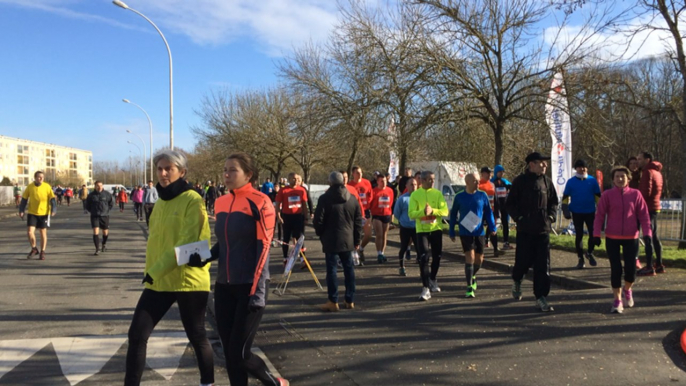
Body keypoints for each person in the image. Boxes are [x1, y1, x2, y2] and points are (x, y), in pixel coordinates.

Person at [189, 152, 289, 386]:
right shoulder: (221, 201)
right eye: (225, 169)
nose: (226, 174)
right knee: (230, 353)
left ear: (249, 174)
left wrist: (257, 291)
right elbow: (224, 243)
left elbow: (263, 249)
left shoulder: (261, 202)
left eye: (233, 170)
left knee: (240, 354)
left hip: (250, 287)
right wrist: (204, 257)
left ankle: (274, 383)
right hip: (224, 287)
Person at [124, 149, 215, 386]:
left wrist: (154, 271)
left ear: (182, 172)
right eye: (160, 169)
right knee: (136, 335)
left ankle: (208, 383)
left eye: (169, 169)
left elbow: (188, 244)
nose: (163, 173)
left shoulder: (192, 199)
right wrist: (153, 272)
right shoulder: (161, 201)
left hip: (188, 280)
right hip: (160, 280)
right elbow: (156, 243)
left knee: (197, 336)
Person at [593, 166, 652, 314]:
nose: (620, 179)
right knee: (616, 269)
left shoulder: (636, 194)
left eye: (623, 176)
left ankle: (628, 289)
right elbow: (599, 215)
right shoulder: (607, 195)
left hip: (631, 237)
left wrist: (648, 234)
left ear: (628, 179)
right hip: (612, 237)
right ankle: (617, 300)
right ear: (613, 179)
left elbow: (644, 215)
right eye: (617, 176)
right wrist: (595, 234)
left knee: (631, 271)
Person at [506, 152, 559, 312]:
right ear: (531, 164)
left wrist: (551, 217)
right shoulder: (520, 182)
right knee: (523, 262)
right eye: (541, 163)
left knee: (543, 265)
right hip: (525, 231)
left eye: (546, 163)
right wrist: (519, 218)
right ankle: (517, 279)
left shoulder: (547, 182)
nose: (545, 166)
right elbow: (510, 204)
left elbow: (554, 202)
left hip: (543, 230)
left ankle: (541, 296)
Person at [314, 171, 363, 313]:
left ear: (330, 182)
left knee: (332, 270)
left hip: (330, 239)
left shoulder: (325, 198)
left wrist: (320, 233)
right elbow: (358, 220)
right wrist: (357, 239)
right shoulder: (352, 198)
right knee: (349, 269)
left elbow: (318, 220)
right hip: (348, 239)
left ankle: (333, 300)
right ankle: (349, 299)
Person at [449, 173, 497, 298]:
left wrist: (492, 227)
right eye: (475, 181)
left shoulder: (482, 195)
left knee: (479, 259)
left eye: (478, 181)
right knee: (469, 256)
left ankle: (473, 274)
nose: (478, 183)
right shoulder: (459, 197)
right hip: (465, 232)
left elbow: (488, 212)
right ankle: (469, 286)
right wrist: (451, 230)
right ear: (467, 182)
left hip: (479, 231)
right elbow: (453, 214)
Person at [409, 170, 449, 301]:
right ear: (423, 180)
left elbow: (445, 211)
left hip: (436, 229)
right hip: (422, 231)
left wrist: (433, 211)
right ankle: (425, 288)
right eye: (430, 179)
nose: (432, 182)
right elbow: (411, 214)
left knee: (437, 257)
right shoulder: (415, 195)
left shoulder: (437, 194)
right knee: (424, 257)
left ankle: (432, 278)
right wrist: (422, 212)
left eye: (433, 179)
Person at [561, 159, 601, 269]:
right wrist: (565, 210)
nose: (582, 169)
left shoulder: (592, 181)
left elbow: (598, 196)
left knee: (593, 234)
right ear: (576, 169)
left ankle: (589, 252)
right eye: (579, 167)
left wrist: (601, 210)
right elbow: (565, 198)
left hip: (590, 211)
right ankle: (580, 258)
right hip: (576, 212)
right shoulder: (571, 181)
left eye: (584, 167)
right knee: (579, 235)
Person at [636, 152, 665, 276]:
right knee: (654, 236)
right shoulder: (657, 172)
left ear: (647, 160)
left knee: (648, 237)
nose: (638, 161)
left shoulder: (647, 172)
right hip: (655, 206)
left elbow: (645, 192)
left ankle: (649, 266)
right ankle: (659, 264)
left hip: (647, 207)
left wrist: (636, 201)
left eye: (640, 159)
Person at [18, 171, 56, 261]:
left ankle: (42, 251)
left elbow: (52, 199)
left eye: (42, 177)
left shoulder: (47, 186)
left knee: (43, 232)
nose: (41, 178)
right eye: (39, 177)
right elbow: (24, 199)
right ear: (35, 178)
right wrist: (21, 210)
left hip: (44, 213)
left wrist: (54, 209)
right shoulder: (30, 187)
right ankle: (34, 248)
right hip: (32, 213)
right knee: (30, 232)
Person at [275, 172, 309, 263]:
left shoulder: (302, 190)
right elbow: (277, 205)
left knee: (300, 238)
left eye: (297, 179)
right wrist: (279, 217)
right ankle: (285, 258)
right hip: (287, 217)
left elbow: (304, 205)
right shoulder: (283, 190)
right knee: (286, 238)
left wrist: (306, 217)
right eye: (294, 179)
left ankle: (302, 258)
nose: (296, 181)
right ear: (289, 180)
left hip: (298, 217)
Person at [347, 166, 374, 264]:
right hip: (354, 212)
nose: (360, 174)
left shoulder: (367, 183)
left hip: (365, 211)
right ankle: (355, 254)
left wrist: (367, 205)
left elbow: (370, 195)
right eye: (357, 173)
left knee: (368, 234)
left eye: (361, 172)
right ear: (353, 174)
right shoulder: (350, 185)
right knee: (355, 234)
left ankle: (361, 249)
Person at [393, 177, 418, 276]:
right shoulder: (402, 199)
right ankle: (401, 267)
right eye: (411, 184)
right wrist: (403, 221)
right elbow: (397, 213)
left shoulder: (419, 198)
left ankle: (422, 268)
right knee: (403, 247)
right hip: (405, 227)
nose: (414, 187)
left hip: (417, 227)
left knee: (419, 248)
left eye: (415, 184)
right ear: (407, 186)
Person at [369, 173, 395, 263]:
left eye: (384, 181)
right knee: (379, 234)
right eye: (381, 181)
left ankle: (382, 253)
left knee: (384, 235)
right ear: (377, 182)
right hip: (377, 215)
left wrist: (391, 214)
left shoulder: (390, 191)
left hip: (386, 214)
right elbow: (370, 203)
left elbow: (391, 203)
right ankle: (379, 253)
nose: (383, 183)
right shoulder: (374, 191)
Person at [86, 181, 115, 255]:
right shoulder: (91, 195)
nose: (99, 187)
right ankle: (97, 249)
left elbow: (111, 203)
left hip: (105, 216)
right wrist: (92, 211)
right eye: (98, 186)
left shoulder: (107, 194)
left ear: (102, 186)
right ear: (95, 186)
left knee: (105, 232)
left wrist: (106, 210)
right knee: (95, 231)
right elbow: (87, 205)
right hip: (95, 216)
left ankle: (104, 244)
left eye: (101, 185)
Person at [478, 167, 500, 255]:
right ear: (482, 174)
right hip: (480, 211)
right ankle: (478, 248)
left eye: (490, 173)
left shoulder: (492, 184)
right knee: (479, 229)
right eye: (488, 173)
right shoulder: (478, 184)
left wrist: (497, 211)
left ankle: (496, 249)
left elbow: (495, 198)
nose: (489, 175)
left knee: (493, 228)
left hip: (490, 211)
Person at [491, 165, 513, 250]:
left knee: (505, 224)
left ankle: (506, 243)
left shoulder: (505, 182)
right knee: (493, 223)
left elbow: (513, 188)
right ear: (496, 172)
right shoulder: (492, 182)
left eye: (503, 172)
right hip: (495, 206)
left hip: (504, 206)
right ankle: (487, 240)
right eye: (500, 172)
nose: (501, 174)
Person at [626, 156, 643, 269]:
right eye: (631, 163)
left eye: (636, 163)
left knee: (635, 235)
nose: (634, 165)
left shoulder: (642, 176)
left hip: (638, 209)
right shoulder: (625, 177)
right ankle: (628, 257)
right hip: (626, 210)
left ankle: (635, 258)